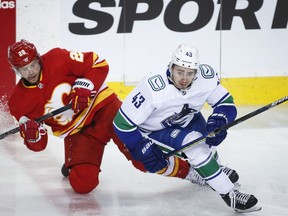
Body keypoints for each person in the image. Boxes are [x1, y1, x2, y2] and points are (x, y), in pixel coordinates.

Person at [7, 39, 227, 195]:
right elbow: (39, 146)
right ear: (16, 70)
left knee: (143, 159)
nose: (31, 71)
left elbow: (99, 64)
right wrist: (32, 135)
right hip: (80, 133)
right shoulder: (18, 101)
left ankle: (193, 172)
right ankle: (72, 161)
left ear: (38, 58)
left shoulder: (56, 57)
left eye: (33, 64)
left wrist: (85, 87)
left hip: (107, 111)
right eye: (24, 69)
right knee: (82, 185)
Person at [113, 44, 261, 212]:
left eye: (190, 73)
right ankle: (230, 195)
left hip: (187, 118)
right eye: (180, 72)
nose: (184, 78)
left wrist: (221, 118)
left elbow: (226, 103)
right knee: (196, 148)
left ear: (196, 72)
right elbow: (121, 123)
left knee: (209, 139)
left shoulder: (205, 78)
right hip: (157, 130)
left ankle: (213, 171)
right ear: (171, 67)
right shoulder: (152, 88)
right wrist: (141, 146)